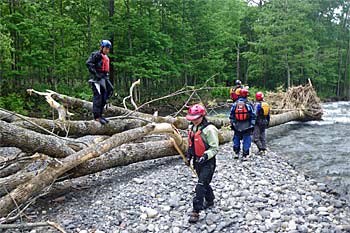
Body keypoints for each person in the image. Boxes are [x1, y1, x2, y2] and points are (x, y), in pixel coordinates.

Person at [185, 104, 219, 223]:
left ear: (202, 116)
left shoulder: (209, 130)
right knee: (204, 182)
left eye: (196, 118)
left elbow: (215, 148)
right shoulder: (191, 128)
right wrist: (189, 155)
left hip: (208, 162)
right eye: (192, 118)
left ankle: (196, 211)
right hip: (197, 161)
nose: (194, 120)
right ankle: (210, 200)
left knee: (200, 185)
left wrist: (205, 156)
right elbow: (191, 144)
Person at [86, 40, 114, 125]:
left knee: (108, 92)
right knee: (98, 97)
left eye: (108, 49)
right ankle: (97, 117)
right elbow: (88, 63)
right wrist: (96, 73)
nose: (107, 50)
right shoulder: (96, 55)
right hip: (97, 79)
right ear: (102, 48)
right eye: (106, 48)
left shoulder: (105, 56)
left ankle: (101, 115)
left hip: (104, 78)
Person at [229, 88, 256, 160]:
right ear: (246, 95)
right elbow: (253, 115)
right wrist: (252, 125)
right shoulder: (249, 104)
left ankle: (236, 153)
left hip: (237, 125)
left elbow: (231, 115)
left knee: (236, 138)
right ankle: (245, 155)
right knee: (246, 139)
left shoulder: (235, 104)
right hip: (247, 125)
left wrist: (233, 124)